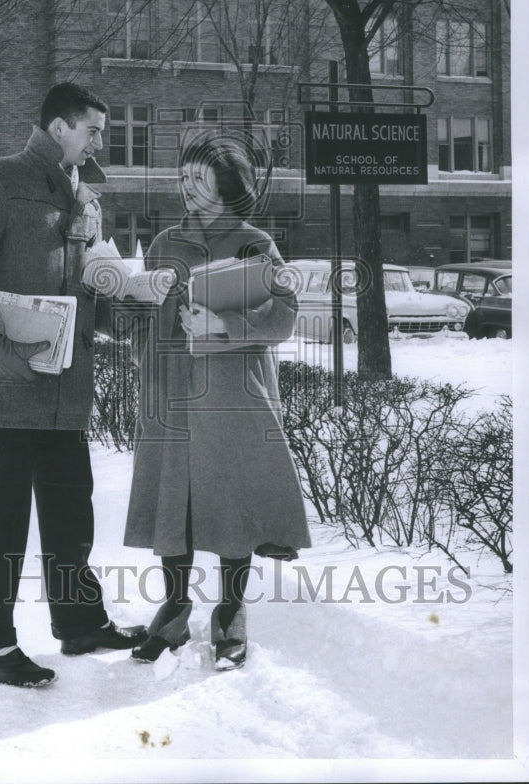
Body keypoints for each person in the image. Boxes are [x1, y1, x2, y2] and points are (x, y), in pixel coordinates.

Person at [0, 82, 146, 688]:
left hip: (66, 382)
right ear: (59, 127)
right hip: (12, 377)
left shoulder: (87, 197)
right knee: (3, 516)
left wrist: (116, 298)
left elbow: (83, 283)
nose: (100, 140)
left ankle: (79, 623)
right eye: (92, 129)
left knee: (70, 508)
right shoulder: (0, 178)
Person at [121, 137, 311, 670]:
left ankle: (230, 613)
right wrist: (138, 319)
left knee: (231, 499)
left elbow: (286, 315)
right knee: (171, 498)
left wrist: (225, 325)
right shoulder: (163, 241)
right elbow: (139, 313)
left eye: (197, 179)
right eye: (182, 178)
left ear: (227, 186)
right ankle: (175, 609)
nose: (186, 187)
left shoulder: (256, 242)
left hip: (233, 388)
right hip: (170, 389)